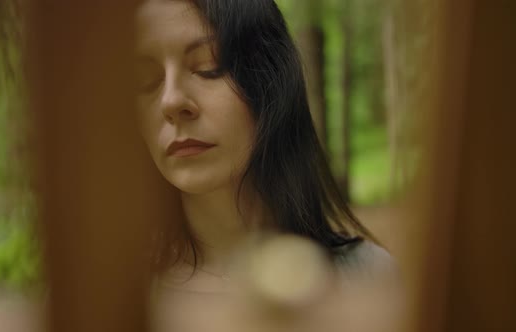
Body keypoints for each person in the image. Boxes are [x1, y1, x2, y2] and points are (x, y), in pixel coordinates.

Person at [134, 0, 401, 330]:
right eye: (145, 79)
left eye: (209, 66)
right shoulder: (102, 302)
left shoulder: (372, 281)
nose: (171, 101)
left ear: (270, 81)